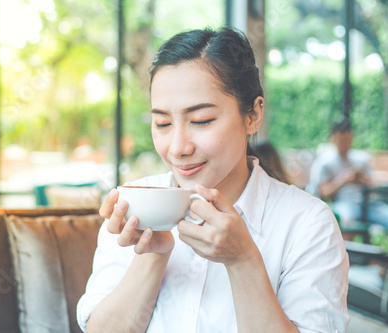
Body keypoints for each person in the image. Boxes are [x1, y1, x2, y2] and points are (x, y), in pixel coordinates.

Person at [77, 27, 349, 332]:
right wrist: (154, 255)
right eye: (162, 123)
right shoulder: (136, 205)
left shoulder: (308, 224)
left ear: (253, 116)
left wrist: (243, 261)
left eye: (201, 121)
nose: (179, 147)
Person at [306, 120, 388, 228]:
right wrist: (343, 180)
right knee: (345, 221)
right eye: (342, 140)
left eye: (348, 140)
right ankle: (351, 244)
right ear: (333, 138)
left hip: (367, 204)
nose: (345, 144)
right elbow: (323, 192)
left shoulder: (361, 159)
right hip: (343, 204)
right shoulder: (324, 162)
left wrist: (361, 180)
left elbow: (371, 184)